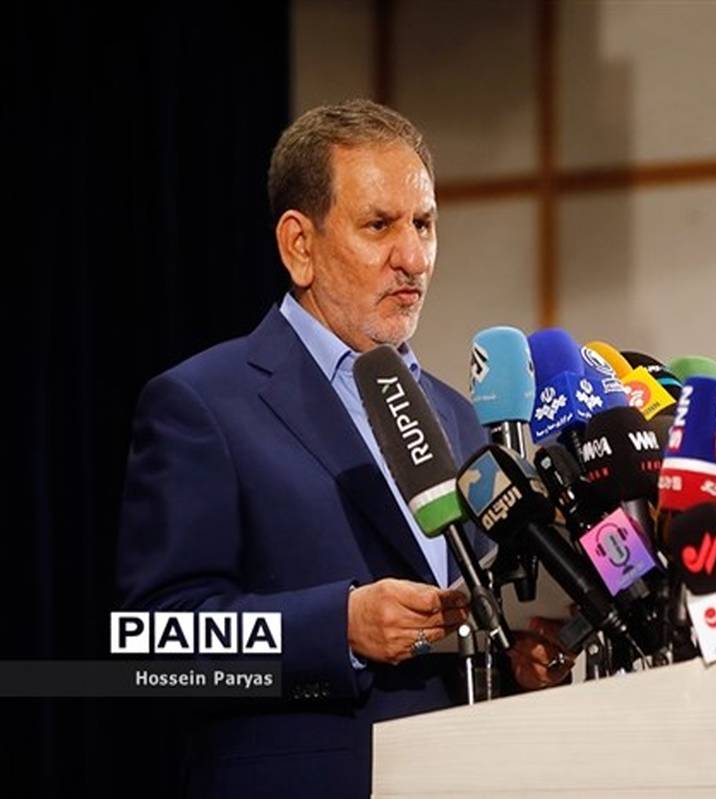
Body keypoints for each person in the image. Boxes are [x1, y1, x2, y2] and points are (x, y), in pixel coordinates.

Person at [116, 99, 566, 798]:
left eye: (424, 224)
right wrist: (339, 627)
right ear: (299, 245)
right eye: (379, 225)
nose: (413, 258)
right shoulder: (203, 403)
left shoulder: (458, 415)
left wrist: (521, 659)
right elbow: (154, 649)